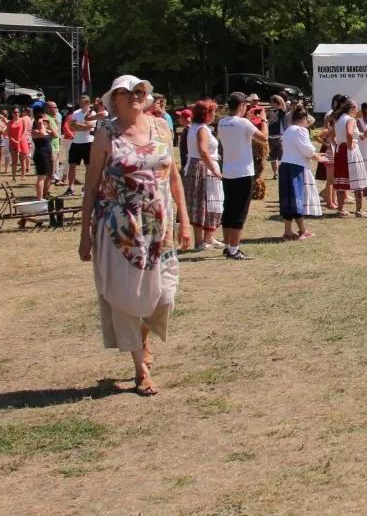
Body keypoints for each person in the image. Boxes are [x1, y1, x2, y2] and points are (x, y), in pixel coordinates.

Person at [79, 75, 188, 397]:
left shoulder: (161, 128)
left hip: (159, 224)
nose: (134, 97)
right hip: (119, 228)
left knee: (165, 296)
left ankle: (144, 334)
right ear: (114, 99)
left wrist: (184, 219)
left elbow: (174, 177)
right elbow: (92, 185)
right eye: (126, 93)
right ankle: (140, 370)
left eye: (139, 92)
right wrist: (84, 234)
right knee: (126, 296)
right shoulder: (105, 133)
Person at [216, 92, 264, 261]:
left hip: (228, 171)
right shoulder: (243, 123)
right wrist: (263, 120)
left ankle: (228, 246)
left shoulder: (222, 122)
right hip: (243, 172)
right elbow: (263, 138)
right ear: (242, 106)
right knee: (240, 211)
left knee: (229, 209)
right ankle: (235, 249)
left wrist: (247, 120)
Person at [277, 106, 329, 240]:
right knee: (296, 199)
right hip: (295, 168)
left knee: (289, 199)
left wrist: (315, 155)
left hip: (285, 166)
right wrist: (318, 157)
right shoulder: (301, 130)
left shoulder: (289, 129)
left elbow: (296, 148)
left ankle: (294, 230)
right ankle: (294, 231)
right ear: (304, 119)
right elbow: (307, 150)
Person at [184, 100, 225, 251]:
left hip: (198, 166)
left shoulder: (195, 128)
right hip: (203, 169)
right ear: (206, 114)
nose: (214, 115)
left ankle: (208, 238)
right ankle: (201, 241)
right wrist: (214, 170)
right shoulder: (201, 129)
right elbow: (203, 151)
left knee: (206, 203)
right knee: (206, 203)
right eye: (212, 112)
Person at [331, 99, 367, 218]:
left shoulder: (338, 119)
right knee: (357, 180)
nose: (357, 110)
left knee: (342, 180)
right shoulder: (350, 119)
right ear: (351, 108)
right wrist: (349, 145)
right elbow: (349, 133)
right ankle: (360, 210)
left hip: (340, 151)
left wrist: (337, 143)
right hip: (349, 150)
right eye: (356, 108)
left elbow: (331, 133)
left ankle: (341, 209)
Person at [64, 95, 99, 196]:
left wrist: (78, 125)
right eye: (79, 102)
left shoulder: (93, 113)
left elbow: (89, 127)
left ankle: (86, 187)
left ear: (87, 103)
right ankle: (71, 188)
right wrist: (82, 126)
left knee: (88, 166)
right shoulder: (76, 112)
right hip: (76, 142)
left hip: (88, 142)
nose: (80, 104)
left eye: (82, 102)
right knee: (72, 166)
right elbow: (71, 127)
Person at [31, 104, 56, 201]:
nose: (44, 122)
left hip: (48, 154)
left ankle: (45, 193)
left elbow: (56, 135)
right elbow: (41, 133)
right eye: (42, 121)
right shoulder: (35, 131)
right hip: (40, 155)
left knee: (49, 175)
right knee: (41, 176)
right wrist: (41, 123)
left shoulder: (46, 129)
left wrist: (49, 124)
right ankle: (39, 197)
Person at [267, 94, 287, 180]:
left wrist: (278, 97)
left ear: (277, 103)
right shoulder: (268, 112)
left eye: (273, 102)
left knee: (281, 157)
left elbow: (283, 104)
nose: (272, 104)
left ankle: (281, 172)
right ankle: (275, 174)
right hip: (270, 137)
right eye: (271, 102)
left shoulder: (281, 111)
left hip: (279, 137)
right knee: (272, 157)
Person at [7, 107, 29, 180]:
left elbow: (25, 130)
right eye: (14, 112)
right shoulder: (10, 122)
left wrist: (19, 139)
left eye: (17, 112)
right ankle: (13, 177)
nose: (16, 114)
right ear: (12, 113)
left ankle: (23, 175)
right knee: (14, 160)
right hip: (13, 142)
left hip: (22, 141)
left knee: (22, 159)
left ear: (19, 113)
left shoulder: (23, 120)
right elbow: (8, 133)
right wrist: (13, 139)